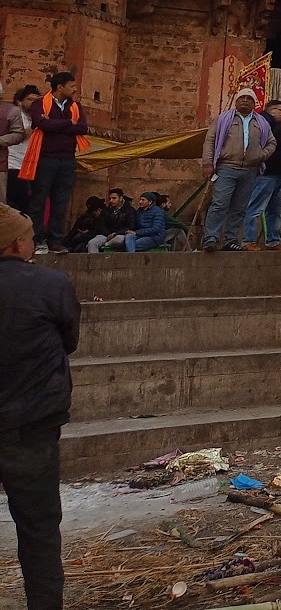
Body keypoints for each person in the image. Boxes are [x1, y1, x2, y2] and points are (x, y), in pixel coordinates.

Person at [0, 205, 79, 610]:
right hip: (31, 428)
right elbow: (70, 340)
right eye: (30, 237)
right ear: (16, 243)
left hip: (27, 422)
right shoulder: (51, 284)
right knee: (39, 532)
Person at [21, 72, 91, 254]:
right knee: (38, 200)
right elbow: (41, 124)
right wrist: (68, 123)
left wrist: (54, 123)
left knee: (60, 202)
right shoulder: (40, 103)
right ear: (60, 87)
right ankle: (36, 239)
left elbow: (82, 128)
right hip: (46, 158)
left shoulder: (75, 106)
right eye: (72, 86)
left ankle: (55, 240)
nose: (75, 89)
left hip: (67, 159)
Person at [199, 89, 275, 252]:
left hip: (249, 171)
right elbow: (210, 141)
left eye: (249, 99)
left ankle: (231, 240)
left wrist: (260, 155)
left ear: (255, 103)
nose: (245, 101)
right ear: (236, 101)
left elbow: (271, 143)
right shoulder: (223, 119)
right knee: (220, 203)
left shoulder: (261, 122)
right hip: (226, 167)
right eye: (242, 98)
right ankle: (211, 237)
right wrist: (207, 164)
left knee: (240, 207)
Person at [245, 100, 281, 250]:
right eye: (279, 110)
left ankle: (273, 240)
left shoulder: (280, 127)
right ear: (271, 110)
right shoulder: (263, 124)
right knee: (255, 207)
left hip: (279, 173)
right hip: (265, 172)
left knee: (275, 209)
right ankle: (248, 239)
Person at [1, 85, 38, 210]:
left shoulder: (32, 118)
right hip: (12, 166)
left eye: (36, 100)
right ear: (19, 101)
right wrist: (38, 123)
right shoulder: (16, 114)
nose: (33, 103)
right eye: (30, 99)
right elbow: (22, 135)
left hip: (26, 168)